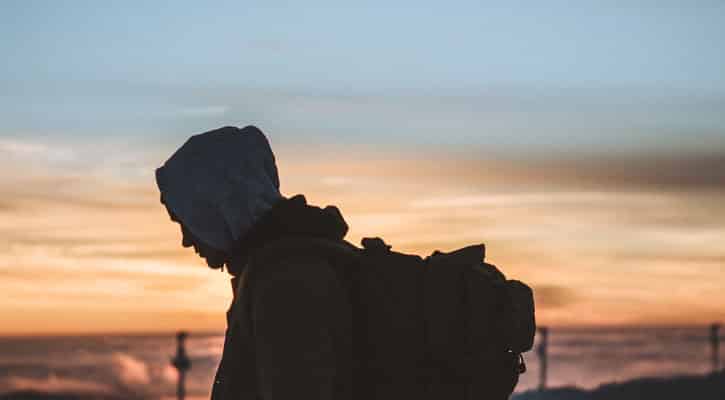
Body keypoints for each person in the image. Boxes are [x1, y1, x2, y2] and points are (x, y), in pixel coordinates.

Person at [156, 126, 354, 399]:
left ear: (215, 208)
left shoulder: (285, 286)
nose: (186, 241)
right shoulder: (290, 267)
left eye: (188, 223)